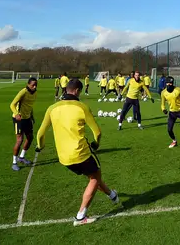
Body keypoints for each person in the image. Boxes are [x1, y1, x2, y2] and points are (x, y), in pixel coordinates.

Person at [36, 78, 119, 226]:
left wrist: (40, 146)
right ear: (77, 91)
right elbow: (97, 132)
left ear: (66, 89)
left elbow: (40, 135)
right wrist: (96, 144)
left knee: (93, 177)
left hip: (63, 157)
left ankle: (112, 196)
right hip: (81, 153)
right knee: (95, 178)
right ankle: (80, 216)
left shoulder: (52, 108)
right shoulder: (82, 107)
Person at [10, 77, 38, 171]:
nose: (34, 86)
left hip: (27, 118)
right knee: (20, 140)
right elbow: (12, 104)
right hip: (19, 119)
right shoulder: (23, 92)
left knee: (30, 137)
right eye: (33, 84)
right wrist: (17, 114)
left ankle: (21, 157)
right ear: (28, 84)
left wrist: (32, 116)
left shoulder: (35, 93)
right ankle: (14, 162)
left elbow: (30, 106)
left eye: (36, 85)